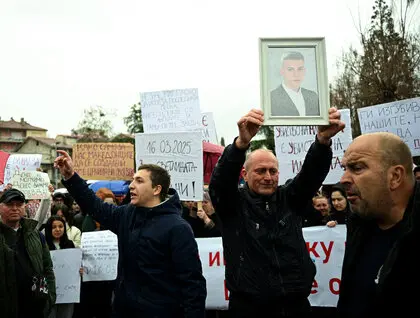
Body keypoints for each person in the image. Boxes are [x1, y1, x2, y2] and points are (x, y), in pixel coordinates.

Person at [209, 107, 345, 317]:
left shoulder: (289, 198)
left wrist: (322, 141)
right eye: (260, 171)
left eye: (273, 171)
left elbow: (310, 175)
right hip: (249, 308)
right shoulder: (233, 205)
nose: (268, 177)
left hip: (296, 305)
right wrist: (240, 146)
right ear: (245, 174)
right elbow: (220, 184)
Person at [54, 154, 207, 318]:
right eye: (133, 180)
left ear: (157, 189)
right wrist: (71, 176)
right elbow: (96, 206)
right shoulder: (127, 214)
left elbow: (193, 284)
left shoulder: (178, 228)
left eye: (139, 181)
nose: (131, 186)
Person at [337, 132, 419, 317]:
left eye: (356, 168)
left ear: (395, 176)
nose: (343, 179)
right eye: (345, 168)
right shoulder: (359, 221)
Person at [0, 188, 56, 318]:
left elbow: (47, 268)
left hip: (35, 308)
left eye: (19, 204)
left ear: (25, 207)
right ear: (0, 207)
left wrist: (49, 298)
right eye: (9, 204)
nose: (15, 208)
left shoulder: (35, 235)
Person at [45, 215, 77, 318]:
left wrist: (79, 270)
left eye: (61, 226)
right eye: (54, 227)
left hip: (67, 291)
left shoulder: (70, 244)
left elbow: (75, 264)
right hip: (49, 291)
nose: (58, 229)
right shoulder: (43, 245)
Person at [270, 51, 319, 117]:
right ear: (282, 71)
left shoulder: (313, 96)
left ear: (304, 71)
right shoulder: (271, 98)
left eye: (300, 69)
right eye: (290, 69)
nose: (296, 74)